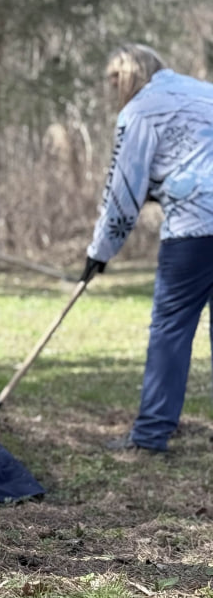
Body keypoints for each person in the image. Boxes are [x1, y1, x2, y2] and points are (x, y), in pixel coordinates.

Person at [80, 44, 213, 460]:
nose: (114, 91)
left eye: (114, 82)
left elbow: (123, 191)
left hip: (195, 229)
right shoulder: (204, 92)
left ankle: (151, 434)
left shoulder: (140, 111)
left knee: (171, 327)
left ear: (127, 76)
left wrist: (100, 251)